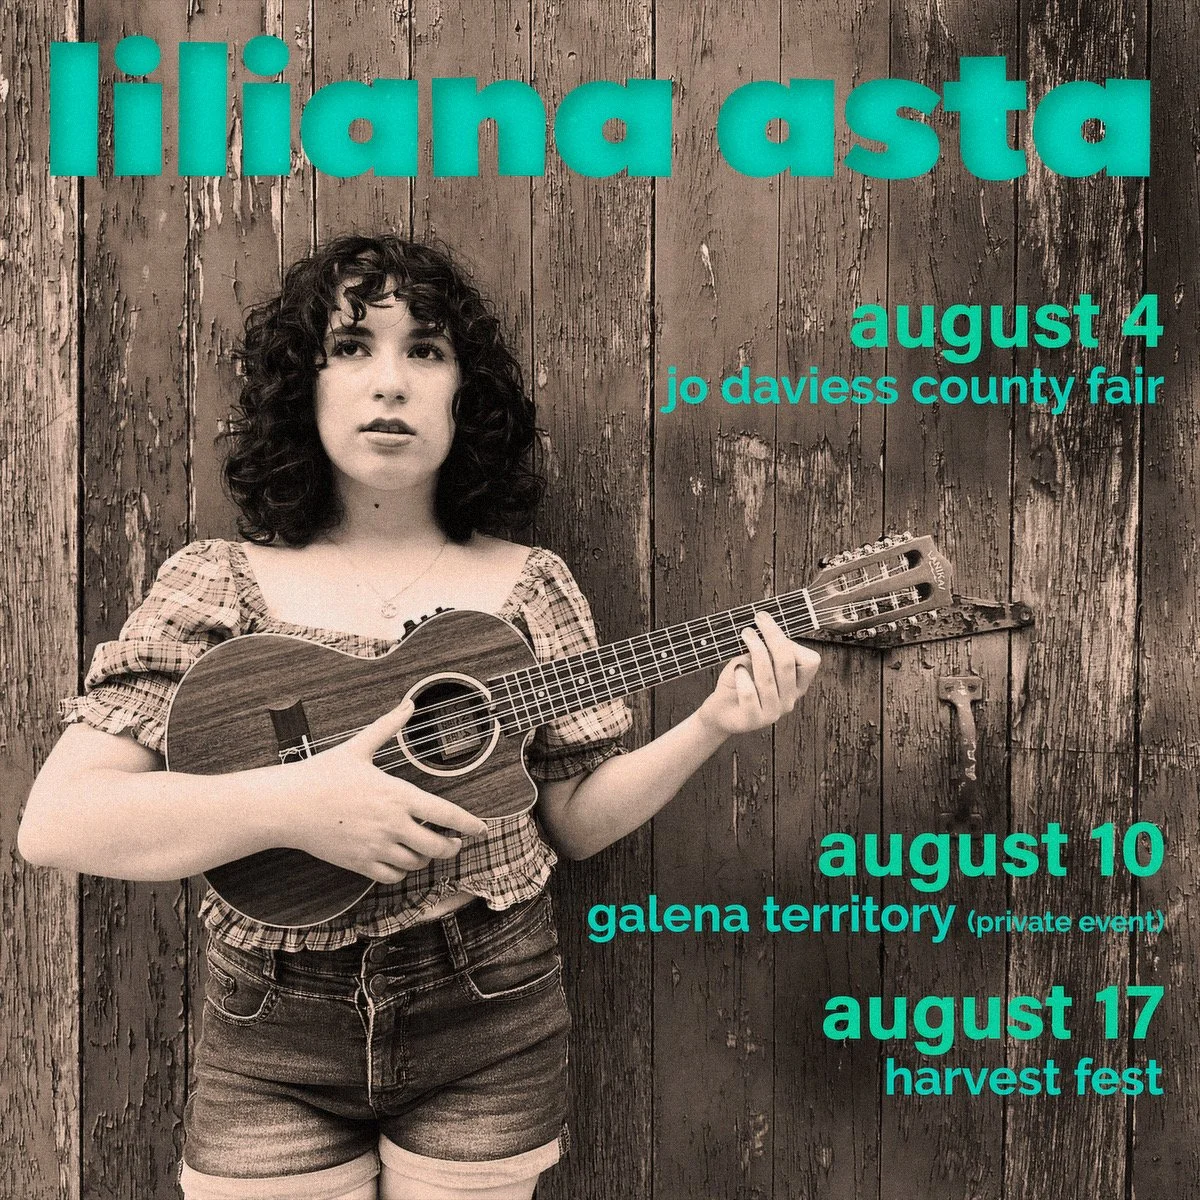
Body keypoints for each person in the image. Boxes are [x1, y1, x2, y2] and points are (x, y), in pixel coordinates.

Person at [18, 234, 821, 1200]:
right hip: (271, 1027)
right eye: (352, 347)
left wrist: (711, 726)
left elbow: (569, 821)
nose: (389, 384)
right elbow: (58, 821)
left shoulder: (527, 585)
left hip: (490, 1008)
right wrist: (301, 803)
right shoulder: (216, 583)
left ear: (463, 395)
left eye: (425, 351)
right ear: (301, 389)